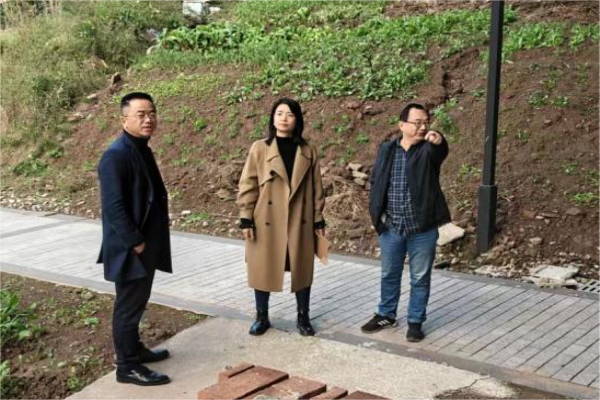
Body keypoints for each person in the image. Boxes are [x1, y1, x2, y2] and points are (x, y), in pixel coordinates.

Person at [97, 92, 172, 385]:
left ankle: (135, 350)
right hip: (131, 248)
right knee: (128, 307)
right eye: (140, 114)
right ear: (124, 119)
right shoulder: (115, 155)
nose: (148, 119)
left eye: (151, 113)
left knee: (138, 302)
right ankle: (126, 366)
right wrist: (135, 242)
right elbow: (113, 207)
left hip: (145, 244)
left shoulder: (141, 149)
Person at [361, 103, 450, 342]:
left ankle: (415, 321)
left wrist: (439, 140)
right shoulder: (387, 149)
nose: (423, 127)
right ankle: (386, 314)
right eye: (417, 122)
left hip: (422, 228)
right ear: (402, 125)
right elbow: (377, 180)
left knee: (419, 277)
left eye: (426, 122)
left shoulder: (428, 151)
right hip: (391, 226)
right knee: (389, 273)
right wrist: (377, 213)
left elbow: (440, 151)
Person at [237, 97, 326, 337]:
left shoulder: (307, 150)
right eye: (279, 113)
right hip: (266, 219)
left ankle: (303, 317)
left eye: (289, 114)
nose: (284, 118)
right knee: (262, 267)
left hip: (300, 219)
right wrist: (246, 217)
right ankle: (261, 317)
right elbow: (248, 183)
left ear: (297, 120)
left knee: (302, 268)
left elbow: (317, 187)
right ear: (272, 118)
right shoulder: (260, 148)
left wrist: (318, 218)